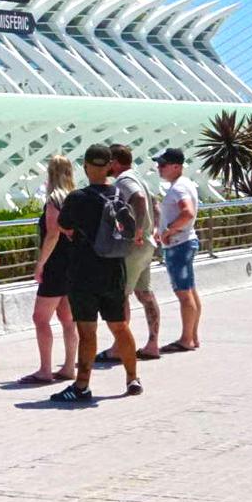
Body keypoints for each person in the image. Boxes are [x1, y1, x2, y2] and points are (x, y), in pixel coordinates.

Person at [50, 144, 143, 402]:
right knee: (120, 327)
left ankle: (82, 385)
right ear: (109, 166)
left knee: (87, 331)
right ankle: (132, 378)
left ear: (86, 166)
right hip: (114, 269)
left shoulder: (78, 198)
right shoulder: (118, 194)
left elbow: (64, 226)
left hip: (84, 272)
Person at [97, 144, 166, 363]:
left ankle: (119, 347)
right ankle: (152, 344)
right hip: (146, 246)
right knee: (145, 293)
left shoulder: (124, 181)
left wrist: (136, 230)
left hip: (133, 247)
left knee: (121, 295)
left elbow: (140, 200)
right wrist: (153, 230)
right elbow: (155, 204)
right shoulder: (138, 176)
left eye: (108, 161)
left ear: (115, 162)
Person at [20, 156, 80, 386]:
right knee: (67, 318)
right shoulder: (74, 197)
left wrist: (40, 263)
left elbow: (52, 234)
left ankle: (45, 369)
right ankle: (68, 366)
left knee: (40, 317)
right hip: (73, 263)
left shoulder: (54, 200)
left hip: (56, 264)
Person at [155, 147, 206, 353]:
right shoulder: (184, 184)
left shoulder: (178, 188)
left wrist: (168, 231)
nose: (159, 168)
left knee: (184, 294)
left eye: (163, 165)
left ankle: (186, 339)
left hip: (179, 245)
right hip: (185, 242)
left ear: (176, 166)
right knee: (190, 291)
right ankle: (192, 336)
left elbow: (187, 212)